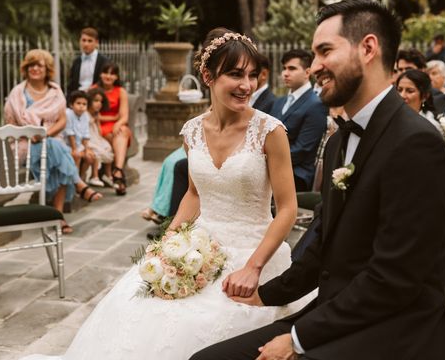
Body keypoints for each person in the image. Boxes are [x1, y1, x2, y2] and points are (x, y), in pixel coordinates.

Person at [192, 0, 445, 360]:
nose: (314, 68)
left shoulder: (417, 143)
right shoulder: (342, 139)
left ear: (368, 48)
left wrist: (298, 339)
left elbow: (395, 278)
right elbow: (324, 243)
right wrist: (265, 293)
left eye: (324, 51)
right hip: (341, 314)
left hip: (397, 329)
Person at [20, 28, 312, 360]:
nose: (246, 85)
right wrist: (166, 244)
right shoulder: (192, 131)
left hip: (252, 251)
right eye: (234, 74)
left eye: (251, 75)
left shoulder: (269, 131)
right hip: (199, 246)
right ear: (207, 75)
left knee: (199, 323)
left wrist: (253, 268)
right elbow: (193, 195)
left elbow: (288, 209)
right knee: (135, 303)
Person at [4, 50, 102, 235]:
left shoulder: (55, 91)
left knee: (56, 149)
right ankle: (76, 190)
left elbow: (62, 121)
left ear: (47, 69)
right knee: (60, 150)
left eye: (39, 65)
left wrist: (44, 134)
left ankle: (58, 214)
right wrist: (31, 134)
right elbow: (10, 125)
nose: (34, 69)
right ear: (26, 68)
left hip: (50, 139)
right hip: (25, 143)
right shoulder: (17, 93)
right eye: (31, 65)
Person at [270, 49, 328, 191]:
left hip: (297, 174)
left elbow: (302, 149)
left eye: (292, 68)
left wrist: (266, 159)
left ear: (307, 72)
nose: (285, 73)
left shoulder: (316, 104)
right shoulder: (279, 102)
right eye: (284, 68)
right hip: (273, 167)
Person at [94, 63, 131, 196]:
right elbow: (93, 115)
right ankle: (117, 176)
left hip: (116, 125)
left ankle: (118, 170)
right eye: (105, 73)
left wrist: (117, 122)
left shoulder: (120, 91)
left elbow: (124, 116)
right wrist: (111, 118)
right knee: (113, 135)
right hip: (98, 125)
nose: (108, 76)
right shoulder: (94, 90)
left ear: (116, 76)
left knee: (122, 131)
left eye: (112, 73)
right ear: (100, 74)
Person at [66, 27, 110, 95]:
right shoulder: (76, 61)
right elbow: (71, 85)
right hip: (78, 98)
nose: (86, 44)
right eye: (83, 40)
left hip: (95, 97)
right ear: (80, 41)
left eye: (90, 41)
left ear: (96, 42)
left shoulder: (104, 61)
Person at [85, 87, 114, 187]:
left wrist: (97, 121)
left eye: (101, 101)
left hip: (96, 137)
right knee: (96, 150)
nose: (99, 104)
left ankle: (108, 174)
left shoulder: (97, 114)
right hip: (88, 138)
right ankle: (94, 175)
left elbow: (99, 131)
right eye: (96, 101)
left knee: (107, 147)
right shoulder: (85, 113)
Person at [63, 91, 95, 179]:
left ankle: (81, 176)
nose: (81, 106)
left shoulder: (85, 116)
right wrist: (74, 149)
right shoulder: (68, 114)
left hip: (78, 144)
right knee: (77, 156)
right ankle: (75, 180)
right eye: (78, 103)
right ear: (71, 104)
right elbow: (69, 132)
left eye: (84, 104)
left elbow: (85, 134)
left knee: (90, 156)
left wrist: (87, 149)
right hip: (66, 144)